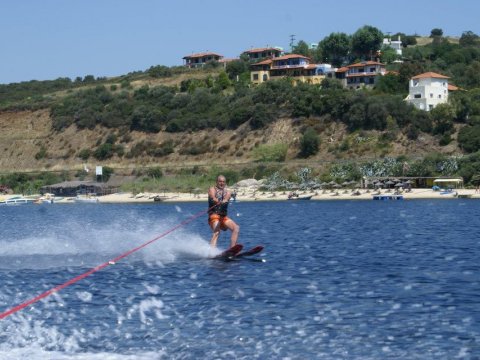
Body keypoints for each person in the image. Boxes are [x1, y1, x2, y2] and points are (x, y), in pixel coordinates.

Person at [208, 175, 240, 248]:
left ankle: (232, 249)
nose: (222, 183)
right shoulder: (212, 189)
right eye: (220, 181)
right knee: (217, 231)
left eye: (223, 182)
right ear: (217, 182)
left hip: (223, 217)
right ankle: (211, 252)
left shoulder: (228, 192)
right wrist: (217, 201)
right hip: (214, 216)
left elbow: (227, 198)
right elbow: (213, 197)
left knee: (236, 228)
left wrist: (224, 201)